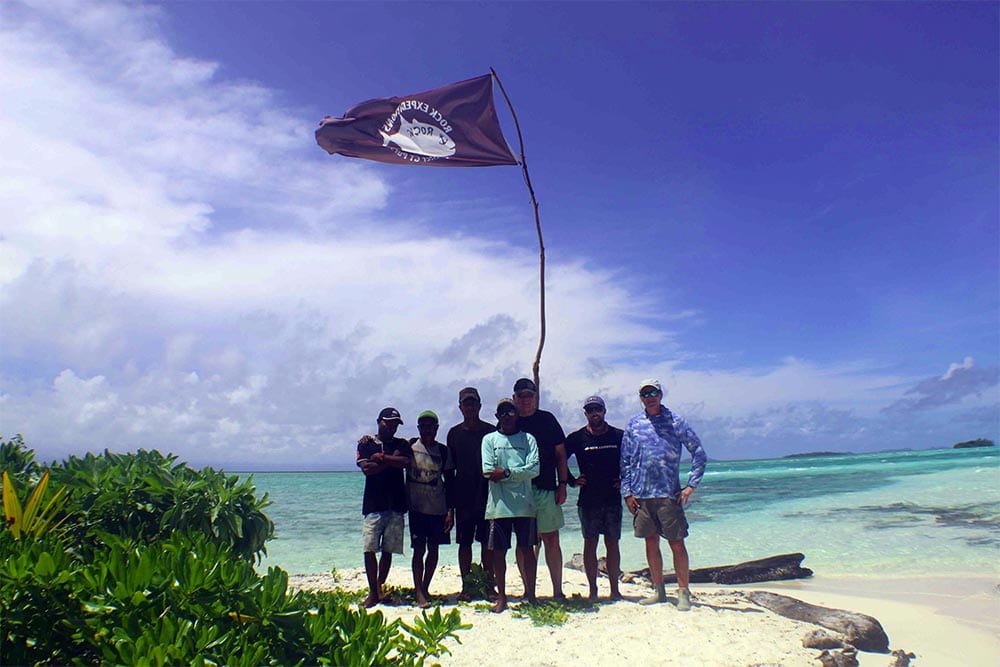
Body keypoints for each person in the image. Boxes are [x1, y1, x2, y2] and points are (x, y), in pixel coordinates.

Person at [620, 379, 707, 611]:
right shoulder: (634, 424)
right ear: (640, 397)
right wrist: (627, 493)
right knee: (650, 542)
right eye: (645, 393)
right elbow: (625, 461)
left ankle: (683, 592)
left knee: (677, 543)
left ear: (660, 394)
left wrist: (691, 486)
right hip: (641, 495)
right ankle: (658, 591)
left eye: (653, 392)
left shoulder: (675, 422)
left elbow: (698, 452)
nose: (649, 396)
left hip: (668, 494)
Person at [512, 377, 569, 600]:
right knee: (523, 542)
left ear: (535, 396)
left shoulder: (547, 419)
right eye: (521, 396)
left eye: (530, 395)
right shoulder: (510, 421)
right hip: (518, 491)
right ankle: (528, 589)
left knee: (551, 540)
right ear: (515, 397)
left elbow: (561, 454)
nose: (526, 400)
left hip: (546, 488)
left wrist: (563, 484)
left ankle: (557, 591)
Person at [482, 397, 539, 613]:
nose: (506, 416)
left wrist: (506, 473)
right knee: (498, 553)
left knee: (527, 550)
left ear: (517, 415)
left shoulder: (528, 439)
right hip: (498, 507)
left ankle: (531, 595)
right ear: (496, 416)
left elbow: (534, 469)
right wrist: (518, 474)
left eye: (510, 411)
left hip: (525, 506)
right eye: (502, 412)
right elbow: (488, 471)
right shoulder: (489, 440)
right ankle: (502, 597)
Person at [564, 395, 624, 601]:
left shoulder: (619, 436)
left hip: (612, 499)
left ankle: (615, 589)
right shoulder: (577, 438)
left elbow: (635, 459)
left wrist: (626, 481)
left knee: (612, 543)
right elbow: (558, 457)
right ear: (585, 414)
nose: (594, 413)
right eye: (590, 410)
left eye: (597, 408)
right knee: (590, 543)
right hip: (588, 500)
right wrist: (570, 481)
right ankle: (593, 590)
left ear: (604, 411)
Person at [356, 407, 412, 608]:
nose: (392, 426)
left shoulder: (402, 444)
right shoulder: (367, 443)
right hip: (373, 504)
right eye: (388, 422)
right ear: (379, 421)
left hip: (396, 504)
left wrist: (382, 458)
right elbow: (367, 470)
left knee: (388, 550)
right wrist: (391, 460)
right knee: (369, 548)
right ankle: (373, 592)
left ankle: (379, 588)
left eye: (395, 423)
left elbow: (406, 462)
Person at [445, 387, 497, 601]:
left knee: (488, 544)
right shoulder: (454, 433)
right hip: (463, 496)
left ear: (479, 405)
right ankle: (466, 586)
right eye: (466, 404)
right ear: (460, 407)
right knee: (464, 544)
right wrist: (450, 508)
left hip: (487, 496)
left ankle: (488, 586)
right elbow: (449, 472)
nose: (470, 407)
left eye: (473, 403)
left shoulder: (491, 431)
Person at [406, 410, 455, 609]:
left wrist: (451, 511)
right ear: (418, 429)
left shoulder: (443, 451)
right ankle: (418, 591)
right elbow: (388, 446)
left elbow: (450, 482)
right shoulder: (409, 447)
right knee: (418, 550)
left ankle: (425, 587)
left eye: (431, 426)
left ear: (436, 429)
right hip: (416, 508)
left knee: (434, 549)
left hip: (438, 508)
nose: (427, 430)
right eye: (423, 426)